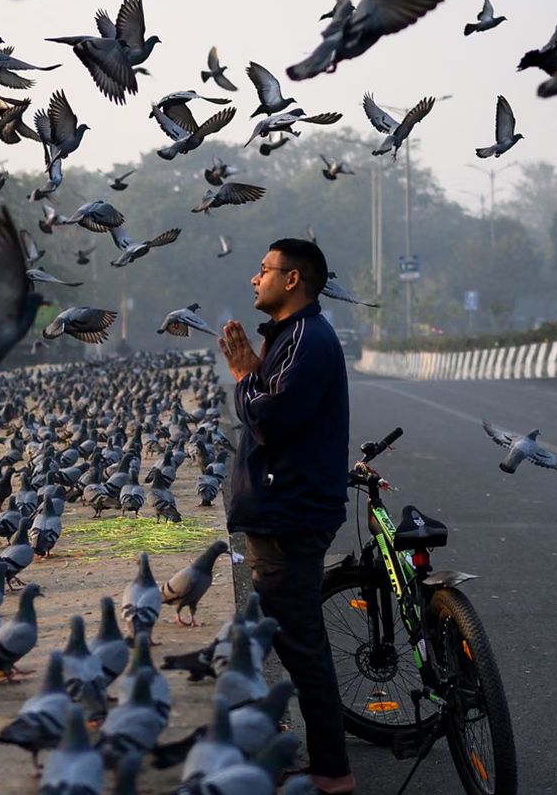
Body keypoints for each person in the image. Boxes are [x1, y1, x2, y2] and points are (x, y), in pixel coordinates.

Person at [216, 237, 354, 795]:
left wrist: (245, 377)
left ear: (291, 280)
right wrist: (252, 375)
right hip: (284, 507)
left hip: (289, 513)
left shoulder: (307, 339)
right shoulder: (292, 337)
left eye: (264, 269)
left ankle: (330, 773)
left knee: (301, 646)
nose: (255, 278)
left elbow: (271, 418)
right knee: (295, 640)